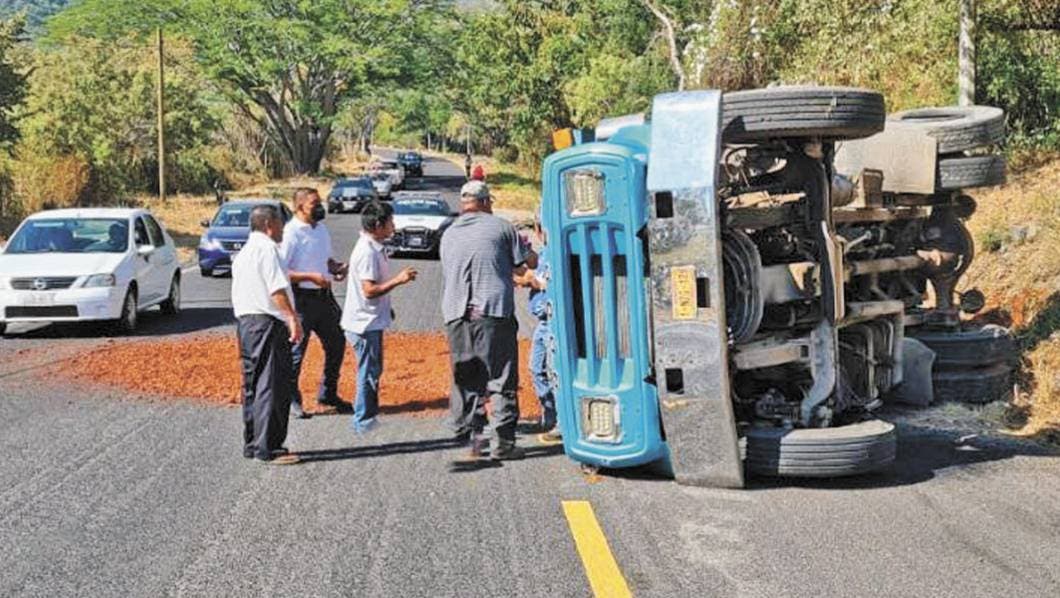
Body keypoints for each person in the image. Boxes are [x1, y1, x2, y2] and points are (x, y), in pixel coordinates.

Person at [440, 180, 537, 460]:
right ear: (484, 202)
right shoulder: (502, 227)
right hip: (492, 313)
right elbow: (526, 263)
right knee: (500, 377)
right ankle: (503, 443)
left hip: (457, 315)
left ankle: (471, 440)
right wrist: (529, 253)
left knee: (466, 376)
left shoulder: (448, 233)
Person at [231, 205, 302, 465]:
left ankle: (253, 443)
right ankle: (268, 447)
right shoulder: (268, 249)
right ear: (270, 224)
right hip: (267, 323)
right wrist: (292, 318)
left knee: (252, 384)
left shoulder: (245, 252)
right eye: (281, 223)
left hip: (247, 323)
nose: (284, 228)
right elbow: (277, 290)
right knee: (271, 384)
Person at [341, 200, 418, 433]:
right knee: (368, 371)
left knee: (373, 369)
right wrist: (399, 280)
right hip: (363, 324)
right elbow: (369, 290)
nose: (393, 225)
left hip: (371, 319)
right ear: (377, 225)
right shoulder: (366, 252)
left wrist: (386, 307)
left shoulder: (374, 246)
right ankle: (363, 421)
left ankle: (367, 415)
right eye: (390, 222)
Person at [280, 188, 350, 419]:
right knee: (296, 351)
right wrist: (310, 277)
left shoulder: (321, 230)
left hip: (324, 297)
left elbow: (325, 260)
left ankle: (328, 394)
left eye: (319, 202)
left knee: (337, 343)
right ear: (299, 207)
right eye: (313, 204)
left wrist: (335, 268)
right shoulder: (290, 233)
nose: (319, 207)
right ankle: (291, 399)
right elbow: (282, 273)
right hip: (301, 300)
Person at [516, 216, 560, 443]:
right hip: (543, 322)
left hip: (553, 322)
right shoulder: (543, 253)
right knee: (536, 369)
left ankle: (561, 422)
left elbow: (542, 281)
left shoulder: (556, 252)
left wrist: (531, 281)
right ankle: (550, 416)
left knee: (553, 371)